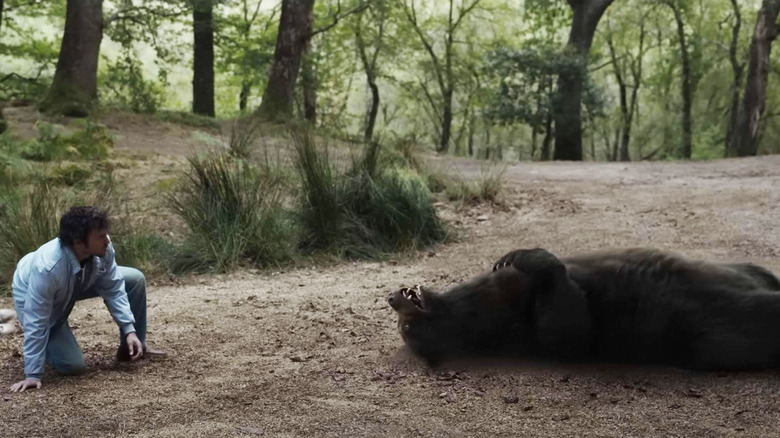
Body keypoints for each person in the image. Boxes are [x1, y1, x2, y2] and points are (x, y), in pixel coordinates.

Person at [9, 206, 165, 393]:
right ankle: (51, 347)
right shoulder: (47, 268)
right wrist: (33, 374)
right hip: (35, 291)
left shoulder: (102, 247)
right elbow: (36, 320)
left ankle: (133, 348)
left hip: (80, 280)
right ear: (78, 241)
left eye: (105, 234)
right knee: (72, 366)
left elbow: (113, 287)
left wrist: (129, 329)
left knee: (134, 279)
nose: (107, 240)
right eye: (100, 236)